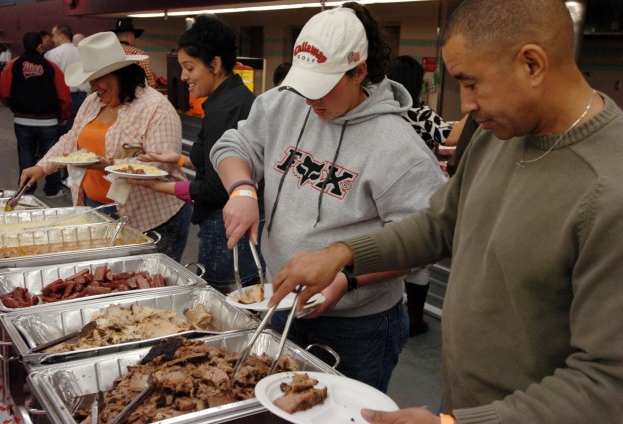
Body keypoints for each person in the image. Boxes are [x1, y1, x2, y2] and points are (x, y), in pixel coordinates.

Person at [269, 0, 623, 422]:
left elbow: (607, 382)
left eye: (471, 84)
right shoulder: (501, 135)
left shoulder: (608, 187)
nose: (467, 105)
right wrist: (343, 254)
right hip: (462, 402)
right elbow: (440, 226)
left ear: (532, 64)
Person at [211, 3, 445, 392]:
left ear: (359, 71)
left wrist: (346, 278)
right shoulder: (283, 105)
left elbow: (421, 243)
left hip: (358, 323)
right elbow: (234, 144)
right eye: (304, 88)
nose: (309, 102)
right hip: (279, 301)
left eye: (321, 89)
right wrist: (243, 188)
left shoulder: (399, 149)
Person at [19, 32, 191, 262]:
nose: (93, 86)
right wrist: (41, 168)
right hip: (96, 209)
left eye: (98, 77)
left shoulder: (157, 108)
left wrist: (109, 165)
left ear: (121, 74)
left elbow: (161, 165)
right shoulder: (93, 102)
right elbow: (71, 139)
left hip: (149, 218)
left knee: (144, 284)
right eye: (90, 79)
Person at [132, 15, 265, 293]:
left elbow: (216, 188)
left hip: (223, 225)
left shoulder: (221, 110)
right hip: (241, 221)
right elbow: (218, 162)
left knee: (221, 298)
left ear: (214, 64)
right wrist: (177, 159)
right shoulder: (239, 96)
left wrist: (159, 186)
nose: (183, 77)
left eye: (189, 67)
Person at [388, 54, 457, 336]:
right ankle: (414, 318)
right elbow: (449, 136)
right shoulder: (422, 114)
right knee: (418, 257)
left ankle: (391, 308)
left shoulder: (384, 113)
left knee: (388, 248)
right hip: (418, 189)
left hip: (387, 187)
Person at [0, 31, 71, 198]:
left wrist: (12, 105)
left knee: (25, 153)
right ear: (40, 46)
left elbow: (2, 89)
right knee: (50, 154)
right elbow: (63, 94)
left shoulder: (13, 65)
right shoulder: (51, 67)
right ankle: (52, 189)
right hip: (49, 121)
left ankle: (26, 189)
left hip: (22, 119)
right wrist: (64, 114)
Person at [46, 24, 90, 136]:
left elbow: (51, 80)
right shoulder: (83, 52)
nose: (52, 39)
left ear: (61, 36)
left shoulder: (53, 54)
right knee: (77, 132)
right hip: (83, 97)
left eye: (54, 35)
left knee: (62, 135)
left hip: (63, 98)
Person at [112, 18, 157, 88]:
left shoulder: (109, 54)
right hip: (134, 95)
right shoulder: (139, 54)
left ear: (117, 37)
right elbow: (150, 83)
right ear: (131, 36)